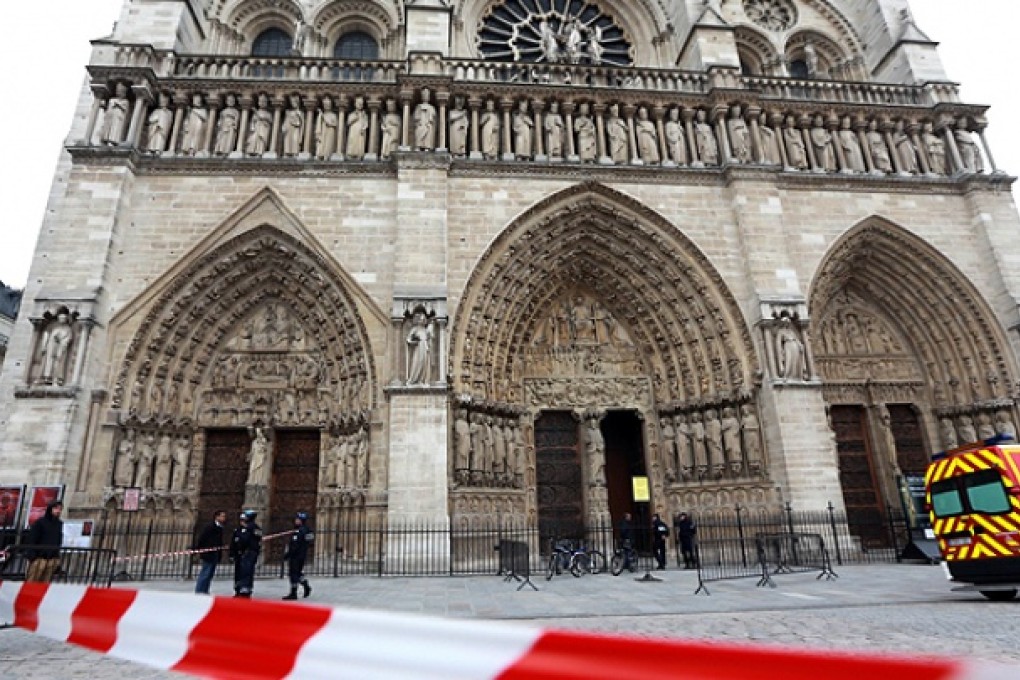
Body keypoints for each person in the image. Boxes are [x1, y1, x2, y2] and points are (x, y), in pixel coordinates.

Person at [25, 500, 63, 582]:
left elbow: (58, 540)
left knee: (45, 584)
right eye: (56, 508)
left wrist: (57, 557)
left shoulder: (59, 524)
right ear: (50, 509)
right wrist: (33, 556)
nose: (58, 511)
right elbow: (32, 539)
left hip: (52, 558)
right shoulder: (40, 522)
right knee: (32, 582)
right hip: (39, 557)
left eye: (60, 509)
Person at [230, 509, 262, 598]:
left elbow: (246, 540)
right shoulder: (241, 528)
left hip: (248, 552)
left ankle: (245, 589)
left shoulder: (252, 528)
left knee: (246, 571)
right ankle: (239, 588)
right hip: (241, 553)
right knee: (240, 572)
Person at [193, 510, 226, 594]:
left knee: (210, 574)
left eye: (224, 516)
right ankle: (199, 590)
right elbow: (202, 538)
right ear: (217, 517)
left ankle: (205, 590)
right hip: (208, 553)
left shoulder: (220, 527)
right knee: (205, 573)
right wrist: (199, 550)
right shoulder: (210, 526)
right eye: (222, 516)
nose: (224, 518)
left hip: (215, 553)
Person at [282, 512, 314, 600]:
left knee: (293, 574)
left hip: (296, 556)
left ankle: (293, 592)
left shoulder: (299, 531)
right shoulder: (307, 530)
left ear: (301, 521)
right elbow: (310, 541)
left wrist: (287, 555)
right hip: (302, 555)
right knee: (298, 573)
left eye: (297, 519)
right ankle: (306, 586)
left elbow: (295, 546)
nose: (295, 521)